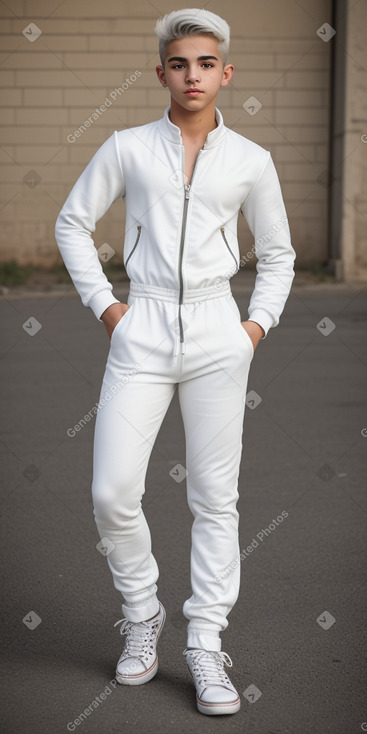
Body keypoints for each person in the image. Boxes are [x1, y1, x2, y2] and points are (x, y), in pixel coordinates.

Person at [55, 7, 296, 717]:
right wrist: (108, 308)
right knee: (111, 491)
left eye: (205, 63)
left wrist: (252, 327)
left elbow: (277, 254)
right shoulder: (128, 147)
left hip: (221, 331)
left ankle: (204, 639)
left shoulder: (252, 160)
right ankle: (141, 614)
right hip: (143, 326)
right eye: (179, 63)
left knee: (214, 499)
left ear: (225, 74)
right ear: (161, 72)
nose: (192, 75)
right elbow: (72, 222)